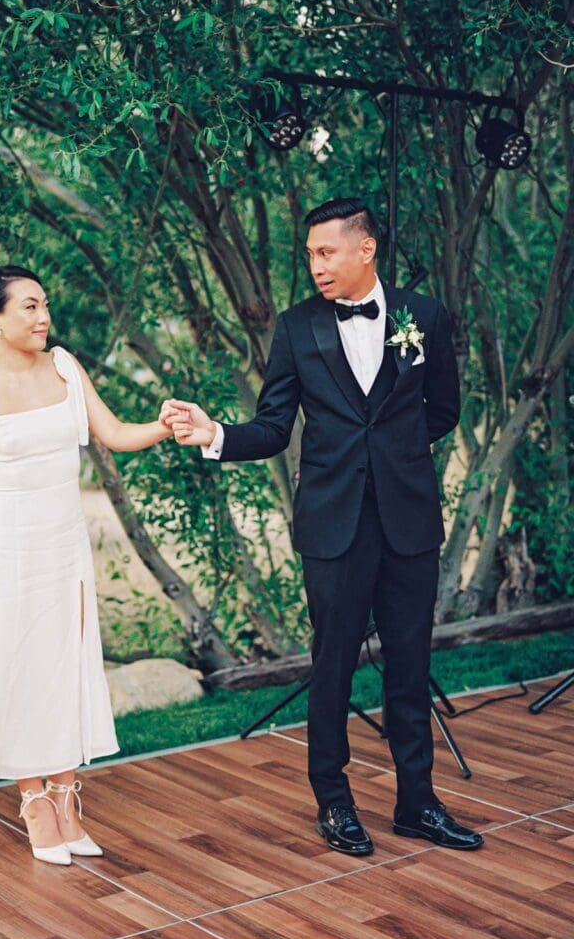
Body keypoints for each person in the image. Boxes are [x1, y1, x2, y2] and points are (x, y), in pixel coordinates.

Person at [164, 198, 484, 856]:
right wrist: (215, 434)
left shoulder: (423, 316)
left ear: (365, 250)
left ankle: (417, 804)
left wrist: (389, 457)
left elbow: (443, 408)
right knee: (332, 668)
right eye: (310, 255)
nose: (316, 266)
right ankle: (334, 805)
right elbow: (274, 427)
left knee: (410, 666)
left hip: (409, 521)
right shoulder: (297, 329)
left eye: (326, 252)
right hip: (333, 528)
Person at [0, 265, 178, 865]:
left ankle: (68, 797)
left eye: (45, 304)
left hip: (65, 544)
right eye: (29, 307)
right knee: (16, 668)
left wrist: (167, 427)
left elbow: (116, 434)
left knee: (65, 665)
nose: (44, 316)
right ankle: (34, 802)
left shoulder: (66, 367)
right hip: (6, 547)